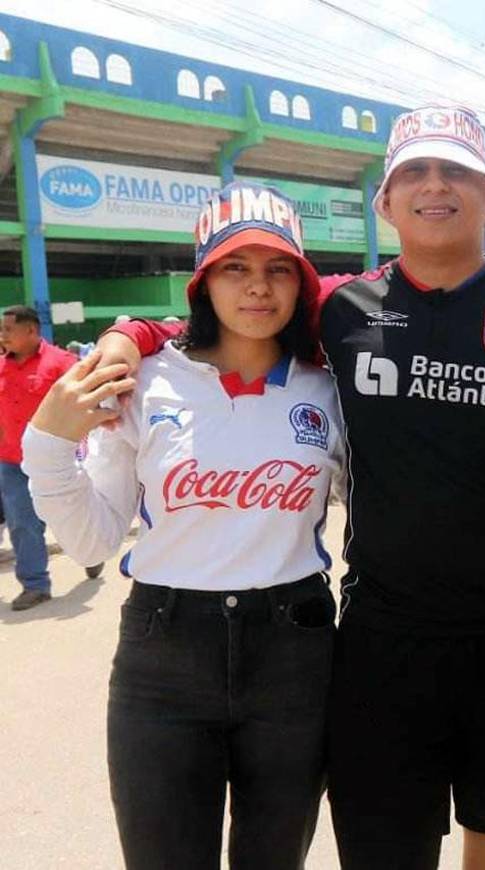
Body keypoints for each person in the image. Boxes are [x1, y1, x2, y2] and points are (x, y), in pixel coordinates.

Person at [95, 105, 485, 870]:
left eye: (456, 170)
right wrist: (132, 330)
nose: (435, 186)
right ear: (384, 202)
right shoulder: (343, 309)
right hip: (381, 635)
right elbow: (239, 310)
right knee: (385, 844)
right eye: (413, 172)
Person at [22, 181, 344, 869]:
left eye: (277, 269)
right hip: (163, 654)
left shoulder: (328, 386)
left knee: (275, 859)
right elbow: (91, 539)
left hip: (296, 651)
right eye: (235, 267)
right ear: (203, 279)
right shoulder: (144, 382)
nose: (257, 288)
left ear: (300, 282)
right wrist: (47, 448)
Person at [0, 305, 78, 610]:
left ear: (31, 331)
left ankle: (92, 553)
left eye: (8, 329)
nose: (2, 335)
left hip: (55, 458)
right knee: (22, 521)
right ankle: (35, 585)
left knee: (72, 515)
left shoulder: (62, 363)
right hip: (11, 460)